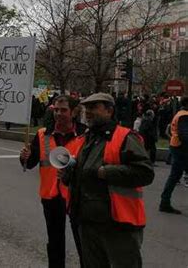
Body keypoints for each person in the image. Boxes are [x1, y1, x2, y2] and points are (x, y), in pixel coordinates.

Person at [61, 93, 154, 268]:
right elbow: (83, 174)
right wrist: (68, 175)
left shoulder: (125, 137)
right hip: (87, 222)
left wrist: (107, 172)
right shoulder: (87, 138)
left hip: (117, 225)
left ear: (109, 110)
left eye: (94, 107)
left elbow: (145, 172)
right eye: (87, 108)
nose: (88, 112)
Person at [20, 95, 86, 268]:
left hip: (76, 196)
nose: (58, 113)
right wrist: (24, 157)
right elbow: (32, 162)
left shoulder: (85, 135)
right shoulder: (43, 134)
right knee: (55, 242)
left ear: (74, 112)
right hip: (51, 195)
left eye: (63, 110)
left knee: (84, 244)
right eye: (55, 109)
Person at [159, 96, 188, 214]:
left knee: (174, 176)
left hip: (178, 147)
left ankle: (164, 202)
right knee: (174, 176)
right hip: (182, 148)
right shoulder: (184, 115)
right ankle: (164, 202)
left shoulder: (180, 113)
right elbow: (184, 134)